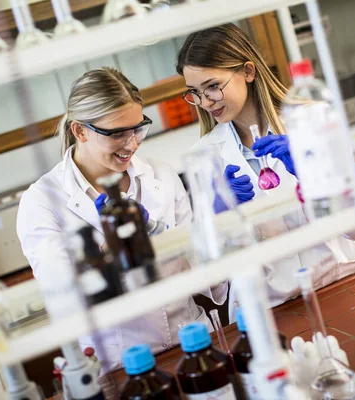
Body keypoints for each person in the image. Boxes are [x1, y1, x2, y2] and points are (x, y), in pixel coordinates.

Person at [17, 67, 226, 373]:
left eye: (137, 128)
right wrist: (109, 250)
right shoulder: (42, 202)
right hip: (120, 364)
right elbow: (64, 303)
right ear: (80, 131)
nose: (132, 144)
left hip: (194, 341)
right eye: (117, 133)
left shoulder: (161, 174)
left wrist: (215, 223)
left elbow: (208, 276)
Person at [176, 24, 355, 320]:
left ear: (248, 72)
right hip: (269, 309)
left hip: (343, 283)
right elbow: (215, 273)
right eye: (195, 93)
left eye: (213, 86)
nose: (204, 103)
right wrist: (221, 216)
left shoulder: (312, 120)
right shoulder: (203, 157)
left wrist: (313, 177)